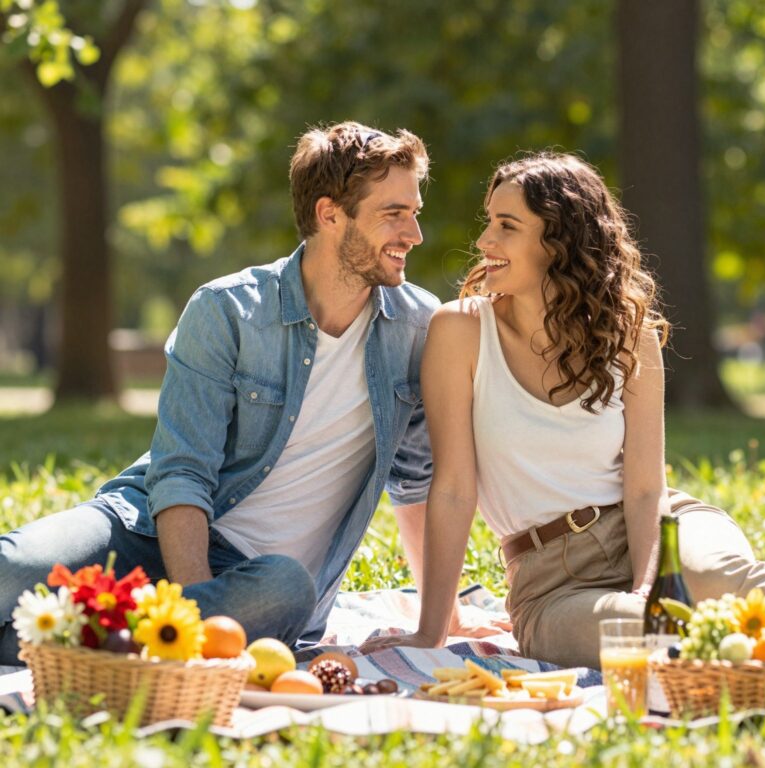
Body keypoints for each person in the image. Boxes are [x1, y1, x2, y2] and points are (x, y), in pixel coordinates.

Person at [359, 152, 765, 688]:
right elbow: (453, 489)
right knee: (655, 639)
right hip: (548, 585)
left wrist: (652, 584)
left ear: (556, 244)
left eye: (506, 226)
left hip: (656, 529)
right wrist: (429, 631)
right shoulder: (459, 332)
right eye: (489, 223)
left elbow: (644, 485)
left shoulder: (627, 334)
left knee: (734, 585)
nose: (483, 241)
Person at [0, 121, 502, 666]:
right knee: (12, 564)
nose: (415, 234)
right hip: (144, 527)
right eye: (393, 214)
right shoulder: (227, 311)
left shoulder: (422, 330)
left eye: (415, 212)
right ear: (329, 213)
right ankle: (117, 642)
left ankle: (68, 642)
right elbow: (181, 473)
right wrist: (197, 616)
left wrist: (442, 619)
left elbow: (418, 481)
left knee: (287, 587)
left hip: (260, 583)